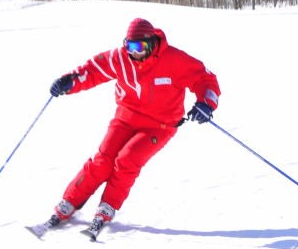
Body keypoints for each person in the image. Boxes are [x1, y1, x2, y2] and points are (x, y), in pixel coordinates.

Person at [44, 17, 221, 235]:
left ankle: (107, 206)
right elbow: (92, 71)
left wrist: (206, 103)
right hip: (125, 118)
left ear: (152, 43)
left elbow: (205, 78)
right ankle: (69, 202)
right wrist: (69, 82)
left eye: (140, 47)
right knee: (102, 160)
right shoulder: (120, 58)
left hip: (160, 125)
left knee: (127, 159)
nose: (135, 52)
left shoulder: (174, 59)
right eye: (130, 46)